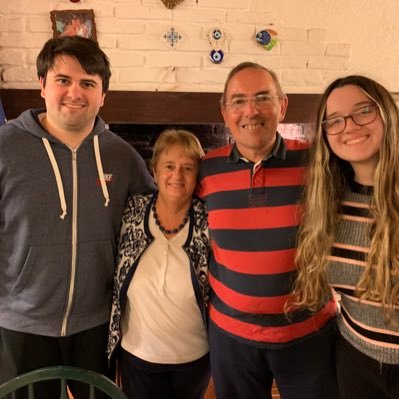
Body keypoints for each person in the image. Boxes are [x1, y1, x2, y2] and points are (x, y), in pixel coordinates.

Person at [0, 36, 155, 398]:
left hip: (96, 323)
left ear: (103, 95)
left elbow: (154, 221)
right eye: (63, 80)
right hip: (21, 323)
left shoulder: (123, 157)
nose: (75, 93)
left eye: (88, 83)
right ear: (42, 86)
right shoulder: (5, 149)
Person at [197, 61, 338, 399]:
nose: (251, 110)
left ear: (282, 105)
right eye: (238, 100)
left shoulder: (318, 163)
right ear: (224, 111)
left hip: (309, 336)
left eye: (263, 97)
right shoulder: (205, 170)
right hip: (231, 339)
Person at [291, 75, 399, 399]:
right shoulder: (330, 201)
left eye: (363, 111)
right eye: (334, 121)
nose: (349, 126)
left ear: (387, 114)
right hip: (354, 359)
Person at [107, 129, 211, 399]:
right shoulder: (131, 210)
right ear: (154, 171)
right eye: (169, 166)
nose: (177, 175)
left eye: (188, 168)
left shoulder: (209, 219)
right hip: (138, 354)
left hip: (193, 357)